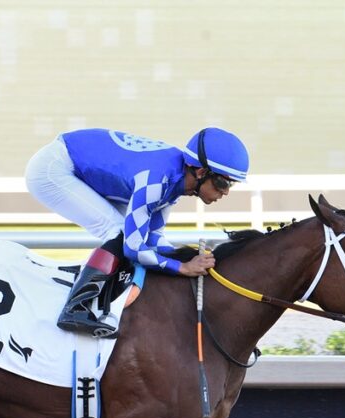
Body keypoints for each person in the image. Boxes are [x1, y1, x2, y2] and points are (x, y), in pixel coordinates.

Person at [24, 127, 250, 337]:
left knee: (128, 234)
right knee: (119, 231)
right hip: (54, 168)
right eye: (223, 183)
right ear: (201, 172)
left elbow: (154, 239)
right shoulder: (156, 181)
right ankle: (75, 308)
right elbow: (132, 248)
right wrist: (182, 267)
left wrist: (189, 260)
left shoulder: (175, 183)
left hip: (78, 161)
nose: (226, 192)